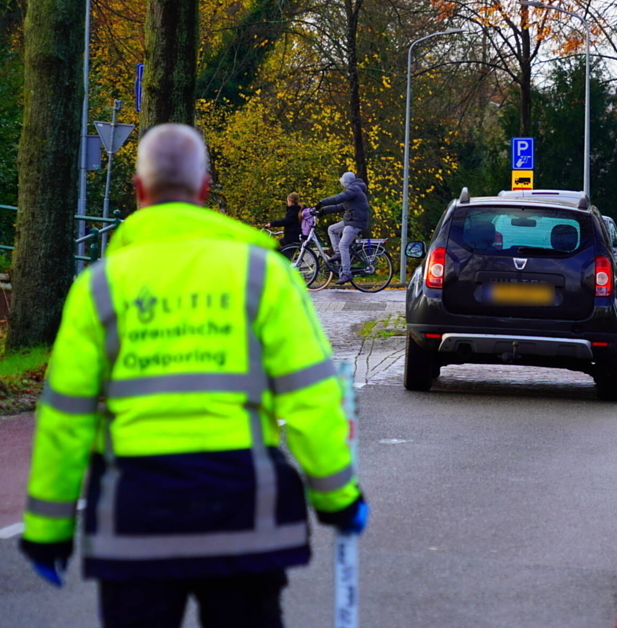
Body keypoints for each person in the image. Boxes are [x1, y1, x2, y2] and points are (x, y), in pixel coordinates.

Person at [19, 124, 367, 628]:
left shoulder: (99, 286)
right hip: (245, 511)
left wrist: (48, 528)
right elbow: (309, 397)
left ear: (139, 192)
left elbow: (65, 417)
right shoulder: (264, 274)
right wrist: (338, 496)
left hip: (135, 515)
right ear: (204, 192)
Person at [316, 171, 369, 283]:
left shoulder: (353, 189)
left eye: (343, 183)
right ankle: (339, 254)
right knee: (332, 229)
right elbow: (340, 206)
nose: (342, 185)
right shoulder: (354, 190)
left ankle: (346, 273)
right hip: (351, 220)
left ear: (346, 182)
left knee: (343, 245)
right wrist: (323, 211)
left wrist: (322, 202)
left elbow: (338, 199)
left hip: (356, 222)